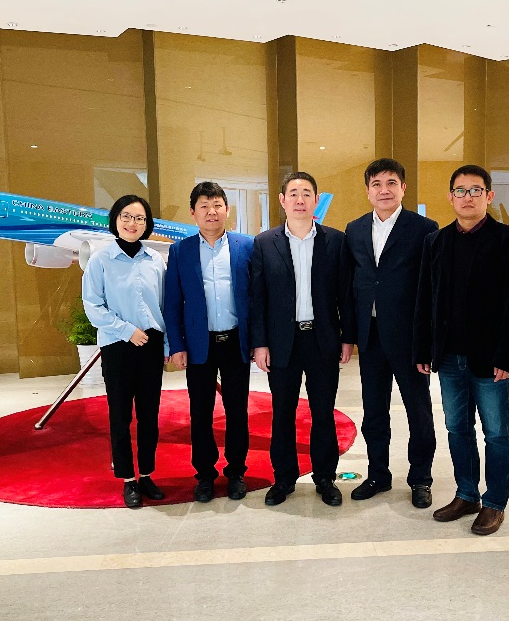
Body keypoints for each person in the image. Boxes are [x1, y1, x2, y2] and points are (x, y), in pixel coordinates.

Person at [413, 165, 509, 535]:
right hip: (448, 357)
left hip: (491, 359)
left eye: (475, 190)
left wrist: (508, 357)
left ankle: (495, 502)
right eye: (460, 191)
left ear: (489, 196)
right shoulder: (436, 241)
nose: (467, 197)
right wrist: (424, 349)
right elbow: (425, 298)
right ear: (451, 197)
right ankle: (467, 494)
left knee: (495, 432)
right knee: (456, 427)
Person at [250, 172, 356, 507]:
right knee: (283, 412)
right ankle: (284, 478)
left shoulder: (335, 241)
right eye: (293, 193)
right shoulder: (264, 243)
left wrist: (347, 337)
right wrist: (260, 343)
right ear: (282, 200)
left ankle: (325, 478)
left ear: (316, 200)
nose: (300, 199)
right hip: (282, 341)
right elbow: (258, 298)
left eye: (306, 193)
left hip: (322, 338)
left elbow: (345, 294)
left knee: (323, 412)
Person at [345, 159, 439, 509]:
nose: (384, 190)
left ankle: (421, 478)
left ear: (403, 188)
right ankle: (378, 474)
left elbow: (431, 289)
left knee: (418, 411)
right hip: (370, 337)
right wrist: (349, 335)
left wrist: (427, 343)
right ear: (368, 190)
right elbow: (352, 285)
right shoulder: (354, 229)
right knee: (374, 412)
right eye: (377, 184)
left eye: (391, 183)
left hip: (409, 339)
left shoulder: (424, 228)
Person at [164, 182, 254, 503]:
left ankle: (236, 472)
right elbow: (172, 302)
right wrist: (176, 345)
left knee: (237, 410)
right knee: (200, 412)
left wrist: (258, 341)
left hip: (236, 341)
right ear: (193, 213)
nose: (211, 211)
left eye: (217, 205)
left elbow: (258, 297)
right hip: (198, 344)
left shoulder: (247, 246)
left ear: (227, 210)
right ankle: (204, 475)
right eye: (204, 206)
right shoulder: (181, 251)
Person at [82, 195, 168, 509]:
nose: (133, 223)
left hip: (151, 345)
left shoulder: (155, 260)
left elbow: (164, 305)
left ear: (147, 224)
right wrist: (126, 331)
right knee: (120, 415)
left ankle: (146, 474)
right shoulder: (100, 260)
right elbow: (93, 306)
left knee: (149, 415)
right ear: (116, 220)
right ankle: (128, 479)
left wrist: (166, 344)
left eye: (140, 218)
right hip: (118, 345)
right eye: (126, 217)